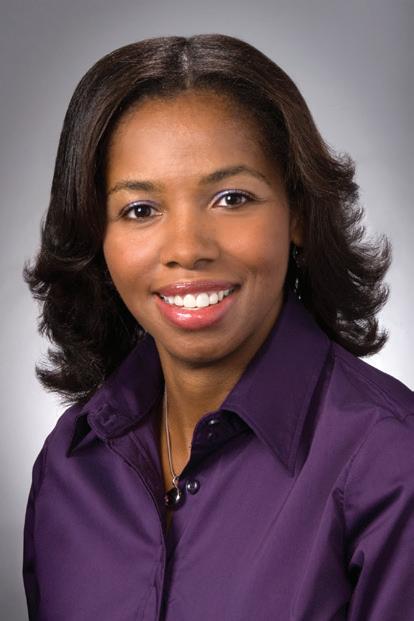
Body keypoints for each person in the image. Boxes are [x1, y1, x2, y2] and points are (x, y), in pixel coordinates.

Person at [22, 33, 413, 620]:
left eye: (231, 198)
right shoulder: (70, 464)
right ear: (95, 235)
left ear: (297, 212)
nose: (187, 249)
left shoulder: (393, 462)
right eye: (140, 209)